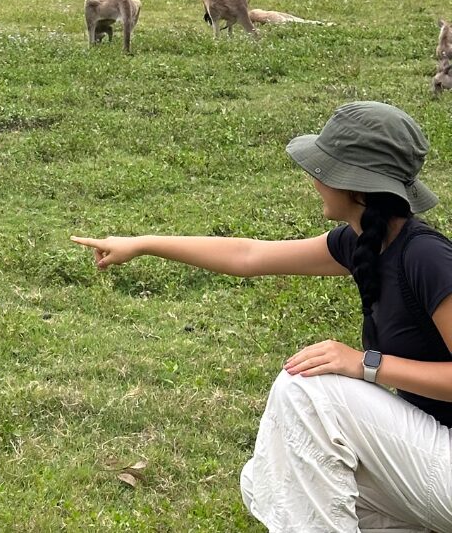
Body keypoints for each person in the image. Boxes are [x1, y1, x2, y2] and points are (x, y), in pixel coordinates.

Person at [72, 101, 452, 532]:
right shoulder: (365, 241)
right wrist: (142, 243)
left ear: (359, 186)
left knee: (306, 391)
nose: (314, 178)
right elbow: (248, 254)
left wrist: (366, 365)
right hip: (432, 459)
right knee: (268, 479)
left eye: (325, 169)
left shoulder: (426, 256)